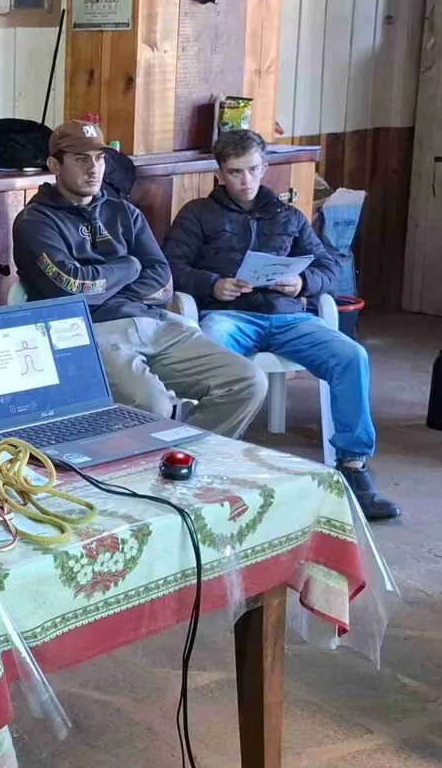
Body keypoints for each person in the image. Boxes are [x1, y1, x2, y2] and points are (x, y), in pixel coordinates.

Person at [163, 129, 398, 520]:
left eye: (253, 169)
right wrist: (213, 284)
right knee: (215, 352)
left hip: (287, 315)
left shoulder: (288, 215)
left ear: (265, 167)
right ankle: (212, 454)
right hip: (228, 315)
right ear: (220, 173)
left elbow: (327, 265)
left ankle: (353, 465)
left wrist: (303, 282)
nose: (246, 180)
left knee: (350, 355)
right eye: (236, 172)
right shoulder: (198, 215)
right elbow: (170, 266)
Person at [13, 119, 266, 437]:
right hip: (86, 333)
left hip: (154, 325)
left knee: (247, 381)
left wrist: (104, 286)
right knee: (154, 407)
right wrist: (129, 268)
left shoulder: (125, 213)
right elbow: (71, 287)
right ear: (55, 164)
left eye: (99, 158)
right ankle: (160, 462)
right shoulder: (35, 221)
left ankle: (183, 458)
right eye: (80, 159)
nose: (94, 168)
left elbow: (163, 282)